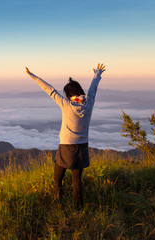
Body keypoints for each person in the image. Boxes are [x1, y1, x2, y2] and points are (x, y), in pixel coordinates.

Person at [25, 64, 106, 209]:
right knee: (77, 181)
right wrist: (97, 74)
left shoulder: (66, 104)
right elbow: (93, 90)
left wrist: (33, 76)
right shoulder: (89, 103)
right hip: (82, 148)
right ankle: (78, 209)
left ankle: (58, 206)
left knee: (57, 179)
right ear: (80, 91)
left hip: (66, 147)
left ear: (68, 94)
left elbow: (49, 90)